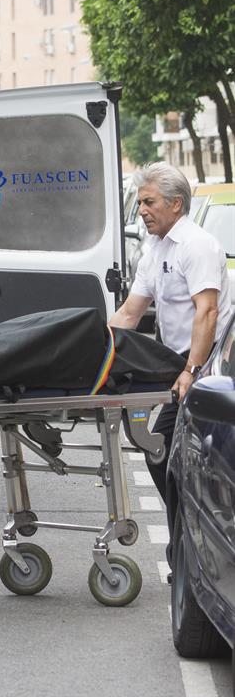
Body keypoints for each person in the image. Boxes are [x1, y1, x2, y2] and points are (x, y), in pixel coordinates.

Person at [110, 163, 232, 500]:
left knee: (176, 449)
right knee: (163, 451)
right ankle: (187, 531)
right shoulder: (156, 251)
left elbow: (207, 311)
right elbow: (130, 313)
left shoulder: (197, 245)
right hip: (182, 362)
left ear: (175, 203)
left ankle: (196, 530)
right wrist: (93, 345)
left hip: (208, 364)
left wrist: (192, 370)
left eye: (149, 202)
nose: (142, 210)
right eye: (140, 203)